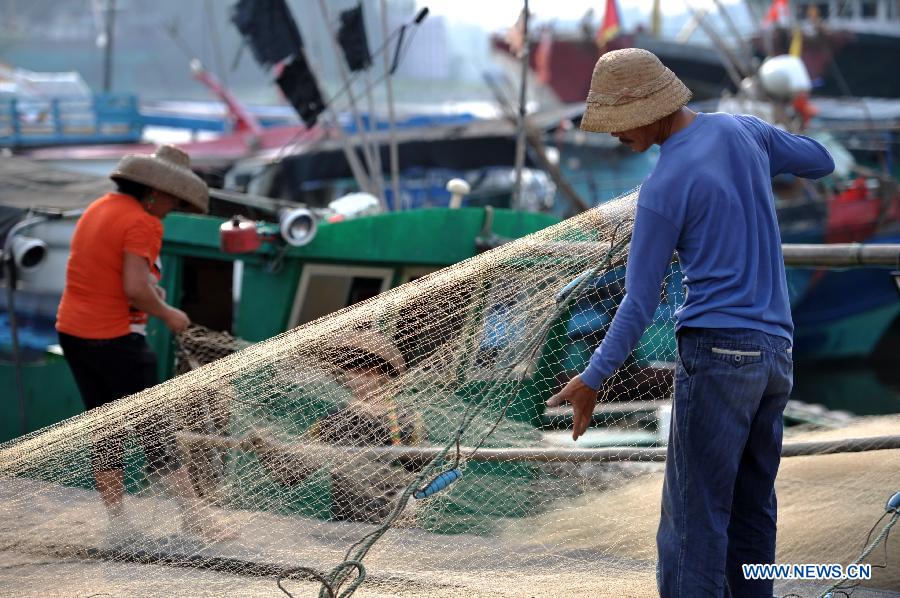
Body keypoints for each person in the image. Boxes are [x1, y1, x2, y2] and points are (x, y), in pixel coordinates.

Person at [547, 49, 834, 597]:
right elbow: (821, 161)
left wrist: (592, 378)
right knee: (754, 513)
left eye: (619, 122)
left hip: (718, 354)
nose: (615, 136)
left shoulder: (662, 188)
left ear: (651, 109)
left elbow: (637, 303)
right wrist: (764, 148)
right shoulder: (744, 132)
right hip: (776, 355)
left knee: (693, 521)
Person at [56, 145, 229, 543]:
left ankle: (117, 522)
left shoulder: (98, 208)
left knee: (107, 426)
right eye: (173, 201)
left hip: (72, 331)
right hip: (112, 339)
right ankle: (198, 519)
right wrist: (168, 312)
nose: (172, 209)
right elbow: (134, 288)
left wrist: (153, 292)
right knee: (156, 429)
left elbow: (108, 274)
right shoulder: (142, 222)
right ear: (156, 193)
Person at [252, 328, 425, 523]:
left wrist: (412, 498)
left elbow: (420, 468)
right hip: (345, 525)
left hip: (393, 525)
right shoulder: (333, 419)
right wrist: (265, 448)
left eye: (368, 370)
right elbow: (293, 472)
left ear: (382, 375)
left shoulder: (404, 419)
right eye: (353, 369)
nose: (359, 375)